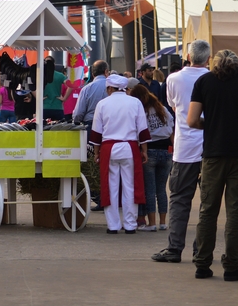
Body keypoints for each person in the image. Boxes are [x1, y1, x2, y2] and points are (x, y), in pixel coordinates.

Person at [187, 49, 238, 282]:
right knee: (237, 211)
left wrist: (212, 123)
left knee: (208, 210)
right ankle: (232, 266)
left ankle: (203, 264)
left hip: (213, 154)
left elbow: (192, 120)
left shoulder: (204, 81)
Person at [152, 40, 210, 264]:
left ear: (188, 56)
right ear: (208, 59)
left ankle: (174, 248)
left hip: (184, 146)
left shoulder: (173, 79)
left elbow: (174, 106)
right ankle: (201, 249)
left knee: (178, 199)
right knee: (208, 201)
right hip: (209, 146)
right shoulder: (212, 79)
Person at [90, 74, 149, 234]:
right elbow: (142, 130)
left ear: (110, 88)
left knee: (111, 187)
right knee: (130, 186)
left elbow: (96, 132)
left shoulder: (102, 104)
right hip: (130, 147)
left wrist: (96, 153)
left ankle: (113, 225)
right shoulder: (135, 102)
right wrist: (144, 150)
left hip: (109, 148)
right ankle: (130, 224)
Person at [129, 84, 173, 232]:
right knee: (161, 189)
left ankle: (151, 223)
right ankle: (163, 222)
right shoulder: (162, 109)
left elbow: (140, 133)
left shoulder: (142, 111)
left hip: (151, 150)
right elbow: (172, 129)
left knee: (150, 189)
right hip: (166, 151)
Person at [72, 60, 109, 131]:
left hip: (90, 124)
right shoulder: (112, 87)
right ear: (106, 71)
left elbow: (78, 112)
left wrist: (76, 122)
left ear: (92, 74)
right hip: (109, 124)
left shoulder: (86, 89)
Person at [42, 56, 66, 122]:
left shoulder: (40, 75)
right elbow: (70, 86)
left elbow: (31, 86)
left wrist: (38, 97)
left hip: (44, 106)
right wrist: (64, 98)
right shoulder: (60, 75)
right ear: (54, 64)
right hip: (57, 106)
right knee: (59, 129)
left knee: (43, 129)